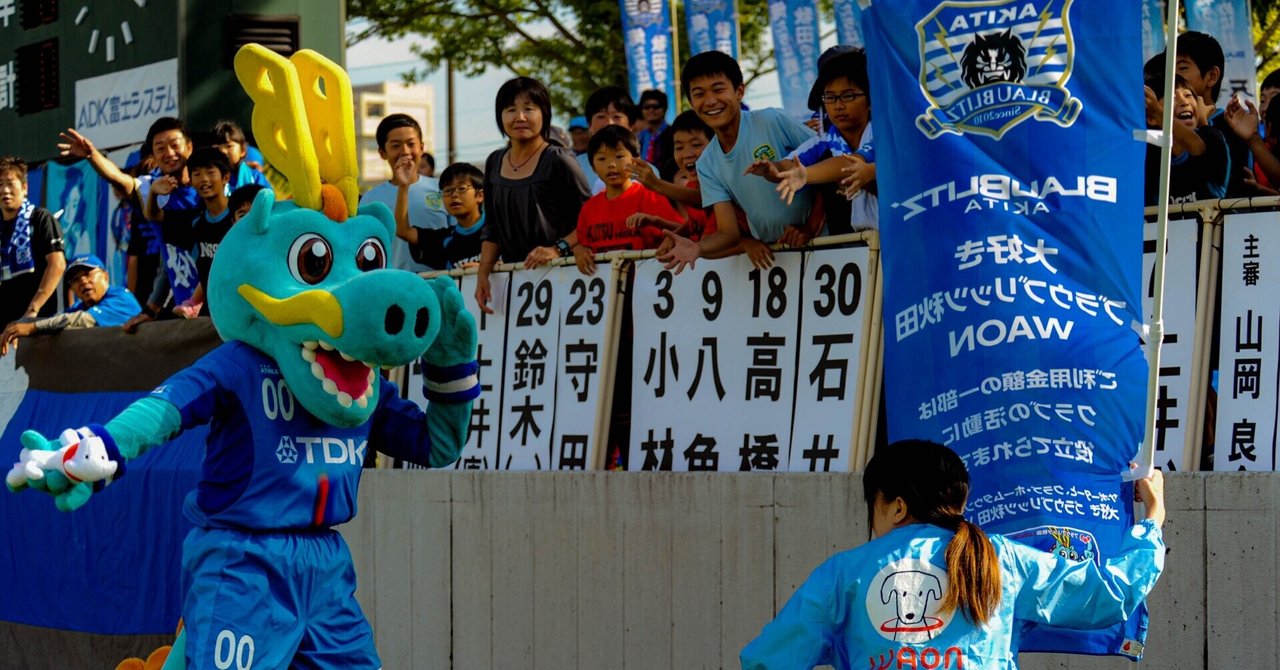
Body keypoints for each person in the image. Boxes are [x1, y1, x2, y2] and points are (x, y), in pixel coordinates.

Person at [740, 440, 1166, 669]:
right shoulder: (1000, 559)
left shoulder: (841, 574)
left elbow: (768, 661)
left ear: (896, 506)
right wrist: (1153, 517)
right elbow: (1109, 594)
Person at [59, 117, 203, 322]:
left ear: (189, 147)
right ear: (153, 154)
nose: (169, 153)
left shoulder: (208, 182)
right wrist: (92, 155)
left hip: (219, 295)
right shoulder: (150, 188)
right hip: (185, 306)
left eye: (174, 145)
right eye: (160, 148)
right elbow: (120, 180)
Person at [474, 76, 591, 314]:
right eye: (511, 109)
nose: (520, 117)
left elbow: (591, 218)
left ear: (544, 114)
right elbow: (492, 228)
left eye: (529, 108)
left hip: (564, 278)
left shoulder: (558, 159)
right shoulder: (494, 162)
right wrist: (483, 272)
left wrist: (557, 249)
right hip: (516, 285)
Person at [775, 46, 878, 234]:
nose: (838, 106)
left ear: (871, 99)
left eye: (848, 95)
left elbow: (847, 164)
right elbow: (787, 166)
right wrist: (770, 169)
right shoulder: (823, 142)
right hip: (857, 242)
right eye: (830, 97)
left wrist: (807, 175)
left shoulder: (885, 134)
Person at [573, 125, 683, 275]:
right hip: (605, 284)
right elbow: (582, 244)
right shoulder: (589, 208)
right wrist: (578, 250)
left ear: (635, 161)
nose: (611, 164)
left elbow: (682, 230)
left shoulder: (650, 197)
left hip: (646, 281)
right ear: (593, 167)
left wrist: (667, 236)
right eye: (602, 159)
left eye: (619, 156)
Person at [359, 113, 449, 273]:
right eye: (396, 146)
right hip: (395, 283)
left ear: (421, 148)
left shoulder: (442, 189)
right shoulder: (371, 199)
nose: (405, 151)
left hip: (443, 279)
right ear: (382, 153)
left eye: (411, 144)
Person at [0, 254, 140, 355]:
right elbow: (56, 320)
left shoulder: (121, 297)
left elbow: (81, 320)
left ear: (105, 276)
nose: (83, 281)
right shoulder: (80, 307)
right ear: (72, 288)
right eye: (76, 279)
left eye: (88, 273)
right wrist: (17, 328)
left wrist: (32, 327)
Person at [1143, 74, 1230, 205]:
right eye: (1172, 97)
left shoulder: (1213, 137)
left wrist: (1158, 114)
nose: (1184, 102)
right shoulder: (1148, 154)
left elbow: (1196, 147)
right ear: (1151, 119)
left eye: (1188, 95)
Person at [0, 156, 66, 326]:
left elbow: (57, 265)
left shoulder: (41, 218)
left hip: (37, 322)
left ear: (25, 188)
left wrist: (33, 309)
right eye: (0, 184)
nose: (5, 190)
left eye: (10, 184)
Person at [395, 161, 486, 269]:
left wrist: (487, 267)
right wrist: (403, 187)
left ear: (480, 195)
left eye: (462, 188)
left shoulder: (498, 230)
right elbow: (403, 231)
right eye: (447, 190)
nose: (454, 195)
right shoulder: (444, 240)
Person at [576, 86, 643, 194]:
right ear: (589, 124)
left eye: (617, 116)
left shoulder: (647, 172)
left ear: (631, 124)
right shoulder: (574, 167)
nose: (609, 123)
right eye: (601, 116)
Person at [211, 120, 269, 192]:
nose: (222, 151)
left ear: (242, 151)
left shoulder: (254, 177)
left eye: (229, 146)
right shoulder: (207, 179)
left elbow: (267, 197)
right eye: (216, 148)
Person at [637, 89, 670, 163]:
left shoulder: (672, 134)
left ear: (664, 109)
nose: (651, 110)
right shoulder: (639, 137)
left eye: (656, 106)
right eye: (646, 107)